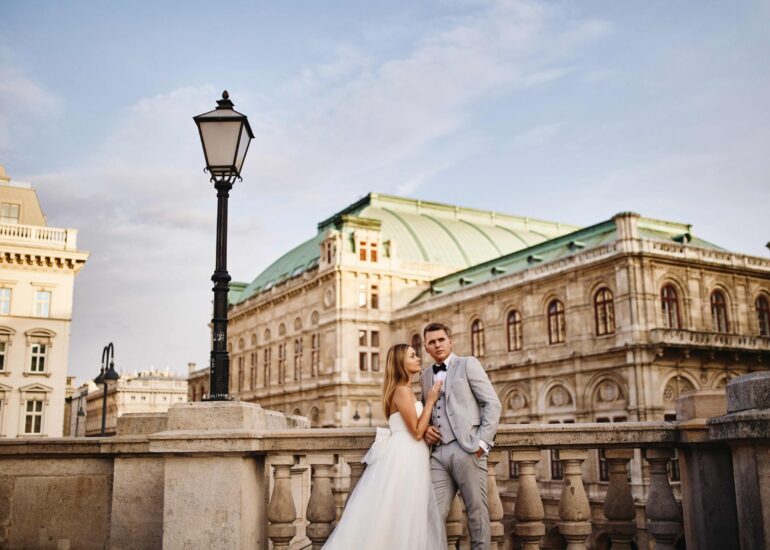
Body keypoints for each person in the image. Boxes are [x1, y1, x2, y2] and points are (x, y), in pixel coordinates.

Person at [323, 344, 447, 550]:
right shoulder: (402, 391)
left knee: (399, 514)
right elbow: (417, 432)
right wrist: (430, 402)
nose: (418, 358)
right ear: (401, 363)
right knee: (402, 514)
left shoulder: (401, 390)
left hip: (407, 453)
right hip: (406, 456)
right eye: (412, 356)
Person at [420, 322, 502, 550]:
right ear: (426, 348)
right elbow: (426, 410)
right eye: (432, 342)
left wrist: (483, 444)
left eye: (441, 340)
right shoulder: (425, 376)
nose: (437, 345)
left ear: (450, 341)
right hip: (438, 454)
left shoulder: (468, 364)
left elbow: (492, 403)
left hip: (467, 449)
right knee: (431, 514)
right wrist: (426, 428)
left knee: (476, 512)